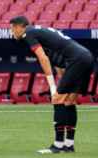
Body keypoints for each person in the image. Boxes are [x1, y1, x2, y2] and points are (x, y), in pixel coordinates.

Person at [9, 16, 94, 154]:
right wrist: (60, 82)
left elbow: (43, 58)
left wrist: (53, 86)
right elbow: (59, 63)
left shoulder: (28, 33)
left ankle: (57, 145)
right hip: (86, 57)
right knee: (69, 102)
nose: (12, 32)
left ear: (20, 26)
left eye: (12, 28)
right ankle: (69, 145)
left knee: (57, 99)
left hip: (77, 60)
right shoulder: (41, 33)